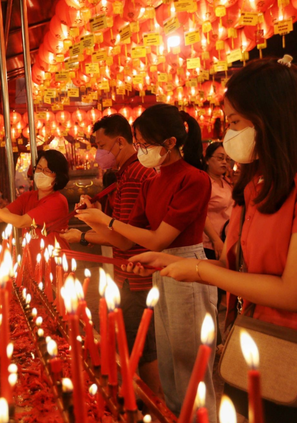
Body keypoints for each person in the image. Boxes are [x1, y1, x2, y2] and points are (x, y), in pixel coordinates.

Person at [127, 57, 297, 422]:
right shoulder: (252, 189)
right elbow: (237, 268)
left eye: (235, 123)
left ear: (270, 117)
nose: (228, 135)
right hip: (246, 339)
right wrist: (173, 263)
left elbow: (289, 292)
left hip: (288, 350)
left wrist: (200, 273)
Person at [75, 104, 217, 422]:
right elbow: (128, 240)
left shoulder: (194, 179)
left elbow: (158, 239)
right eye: (137, 144)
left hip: (188, 271)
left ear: (168, 143)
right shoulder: (154, 179)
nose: (139, 150)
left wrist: (106, 222)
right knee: (169, 366)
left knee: (191, 368)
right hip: (159, 270)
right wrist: (91, 218)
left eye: (144, 144)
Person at [60, 114, 161, 395]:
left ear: (120, 141)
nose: (97, 153)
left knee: (141, 351)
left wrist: (92, 221)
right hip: (130, 275)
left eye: (101, 145)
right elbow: (119, 230)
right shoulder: (129, 173)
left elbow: (124, 239)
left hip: (137, 278)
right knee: (139, 347)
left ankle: (152, 406)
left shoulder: (135, 175)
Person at [0, 149, 70, 263]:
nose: (41, 173)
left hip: (55, 262)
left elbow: (21, 221)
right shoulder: (27, 197)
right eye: (39, 168)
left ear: (58, 176)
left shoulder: (57, 201)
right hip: (32, 262)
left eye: (47, 170)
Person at [203, 142, 233, 260]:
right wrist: (216, 241)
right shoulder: (204, 182)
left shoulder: (227, 181)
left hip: (228, 239)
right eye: (220, 158)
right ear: (207, 160)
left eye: (227, 159)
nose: (224, 162)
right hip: (211, 243)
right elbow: (201, 214)